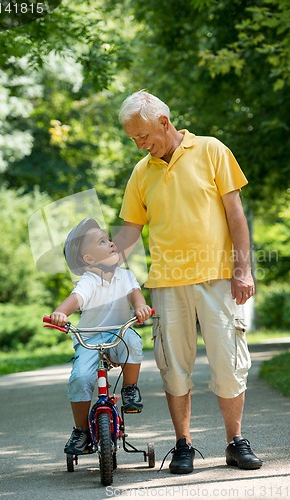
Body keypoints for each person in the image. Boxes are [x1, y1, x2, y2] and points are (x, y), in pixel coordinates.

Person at [114, 90, 263, 474]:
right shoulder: (141, 172)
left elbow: (236, 215)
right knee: (173, 367)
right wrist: (103, 260)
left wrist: (243, 270)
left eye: (143, 135)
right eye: (133, 138)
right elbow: (131, 229)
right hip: (166, 283)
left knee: (228, 364)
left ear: (164, 122)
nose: (139, 144)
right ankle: (183, 445)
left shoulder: (212, 150)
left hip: (217, 278)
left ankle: (235, 441)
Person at [50, 217, 152, 455]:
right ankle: (81, 431)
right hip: (90, 337)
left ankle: (129, 388)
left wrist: (140, 307)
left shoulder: (125, 276)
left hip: (119, 332)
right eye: (103, 241)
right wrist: (60, 313)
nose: (113, 243)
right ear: (89, 259)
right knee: (80, 378)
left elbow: (136, 295)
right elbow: (75, 300)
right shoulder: (89, 281)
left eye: (110, 239)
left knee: (134, 342)